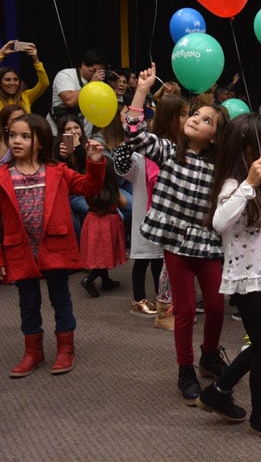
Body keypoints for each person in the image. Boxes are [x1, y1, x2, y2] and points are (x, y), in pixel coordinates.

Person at [124, 63, 230, 404]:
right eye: (195, 115)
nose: (196, 119)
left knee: (215, 305)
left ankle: (210, 355)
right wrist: (141, 91)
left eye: (205, 120)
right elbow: (136, 134)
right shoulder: (169, 150)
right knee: (183, 311)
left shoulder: (220, 165)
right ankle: (185, 369)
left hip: (207, 242)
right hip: (176, 243)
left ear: (214, 136)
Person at [196, 114, 261, 444]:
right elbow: (219, 221)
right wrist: (249, 185)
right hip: (244, 280)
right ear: (246, 148)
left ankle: (218, 391)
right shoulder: (234, 184)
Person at [0, 114, 105, 377]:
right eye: (13, 135)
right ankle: (33, 352)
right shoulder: (2, 175)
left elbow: (89, 187)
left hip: (54, 247)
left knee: (61, 299)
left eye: (25, 136)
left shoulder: (57, 170)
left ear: (41, 141)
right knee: (28, 302)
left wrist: (94, 161)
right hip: (19, 250)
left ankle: (65, 349)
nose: (17, 141)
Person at [113, 94, 190, 320]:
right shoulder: (145, 154)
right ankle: (139, 300)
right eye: (184, 114)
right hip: (146, 217)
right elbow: (123, 168)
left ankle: (163, 299)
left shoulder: (183, 149)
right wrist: (126, 147)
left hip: (171, 218)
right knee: (144, 259)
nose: (189, 119)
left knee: (161, 261)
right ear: (171, 118)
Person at [78, 158, 126, 296]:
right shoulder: (112, 190)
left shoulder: (90, 189)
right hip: (109, 222)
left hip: (92, 220)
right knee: (104, 256)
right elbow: (124, 203)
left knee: (102, 255)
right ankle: (89, 279)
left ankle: (106, 281)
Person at [49, 49, 106, 135]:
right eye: (93, 71)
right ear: (83, 65)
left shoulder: (98, 82)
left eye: (99, 72)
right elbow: (69, 100)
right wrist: (92, 84)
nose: (95, 75)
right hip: (60, 132)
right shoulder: (65, 75)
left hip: (84, 134)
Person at [0, 41, 49, 112]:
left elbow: (44, 84)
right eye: (7, 80)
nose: (12, 83)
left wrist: (36, 60)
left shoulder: (26, 96)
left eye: (15, 79)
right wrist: (1, 54)